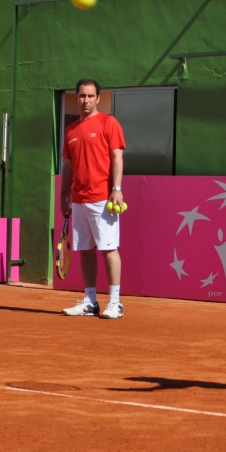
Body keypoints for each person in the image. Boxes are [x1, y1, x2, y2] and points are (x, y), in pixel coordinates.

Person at [60, 79, 127, 319]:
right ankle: (90, 301)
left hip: (103, 198)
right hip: (78, 200)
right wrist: (63, 194)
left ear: (98, 98)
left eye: (90, 96)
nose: (85, 101)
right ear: (76, 98)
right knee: (86, 250)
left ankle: (115, 302)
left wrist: (116, 189)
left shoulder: (109, 123)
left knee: (108, 249)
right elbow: (68, 166)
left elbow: (117, 157)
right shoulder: (71, 130)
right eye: (81, 96)